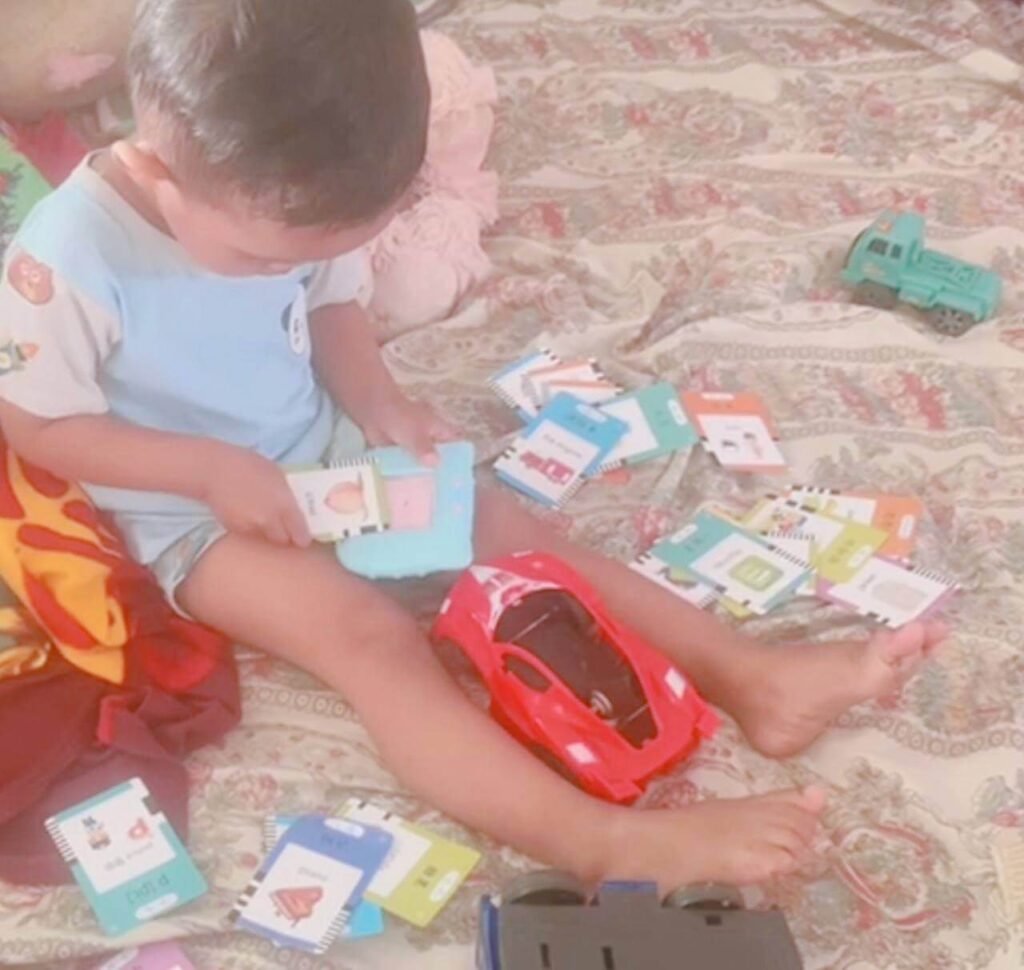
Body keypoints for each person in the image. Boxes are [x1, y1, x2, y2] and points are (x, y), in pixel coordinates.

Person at [0, 0, 945, 890]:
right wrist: (207, 470)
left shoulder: (293, 188)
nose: (285, 268)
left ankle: (753, 675)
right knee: (368, 638)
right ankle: (606, 843)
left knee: (516, 532)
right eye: (263, 257)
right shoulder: (67, 259)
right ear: (161, 173)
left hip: (322, 444)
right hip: (187, 515)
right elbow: (36, 425)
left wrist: (383, 406)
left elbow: (330, 305)